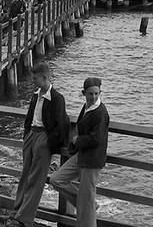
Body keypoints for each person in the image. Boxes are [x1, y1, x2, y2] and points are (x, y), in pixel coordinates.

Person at [1, 63, 70, 227]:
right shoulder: (35, 95)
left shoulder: (57, 98)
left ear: (45, 77)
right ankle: (17, 211)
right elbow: (30, 117)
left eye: (35, 78)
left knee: (36, 179)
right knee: (25, 175)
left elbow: (61, 125)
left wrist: (47, 143)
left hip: (43, 138)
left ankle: (24, 218)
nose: (33, 81)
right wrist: (27, 135)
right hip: (32, 134)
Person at [50, 77, 109, 227]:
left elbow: (96, 138)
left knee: (85, 202)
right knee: (56, 179)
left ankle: (87, 203)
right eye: (90, 94)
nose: (94, 97)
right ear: (84, 93)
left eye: (96, 93)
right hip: (82, 156)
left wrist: (77, 140)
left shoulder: (100, 112)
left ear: (100, 92)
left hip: (93, 160)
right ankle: (89, 203)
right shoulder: (87, 106)